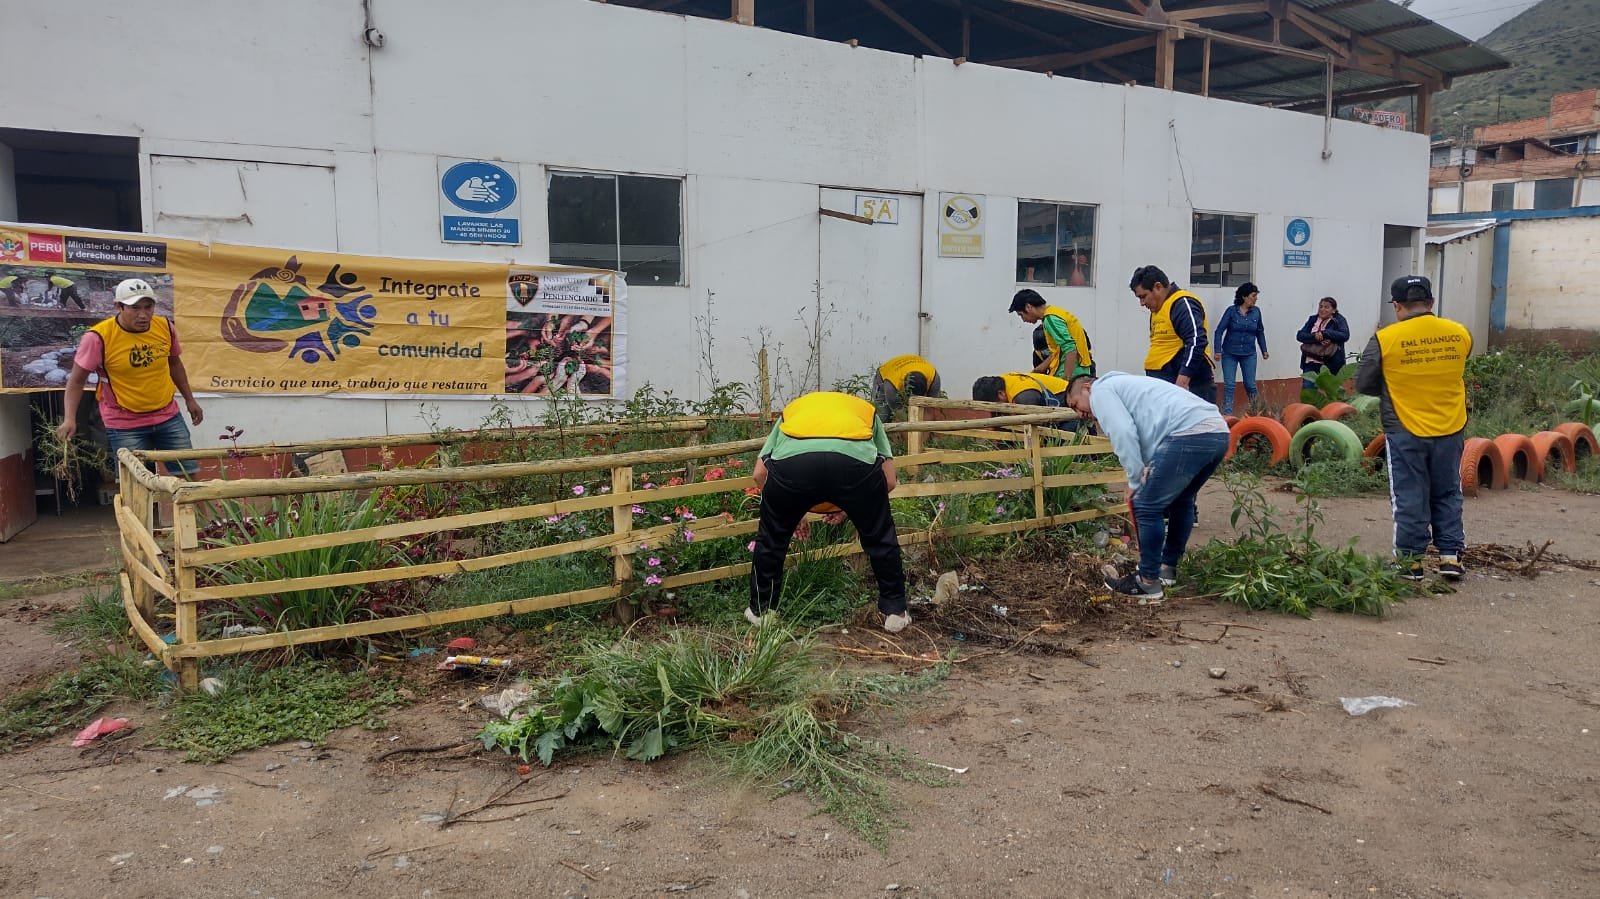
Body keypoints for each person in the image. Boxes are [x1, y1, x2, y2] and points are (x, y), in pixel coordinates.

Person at [749, 391, 909, 632]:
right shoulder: (867, 413)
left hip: (794, 467)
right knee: (880, 538)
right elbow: (889, 481)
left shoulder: (792, 412)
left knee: (772, 539)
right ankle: (895, 612)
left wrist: (793, 511)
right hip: (854, 467)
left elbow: (759, 474)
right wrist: (851, 506)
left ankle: (761, 612)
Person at [1067, 372, 1229, 600]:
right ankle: (1166, 570)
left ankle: (1147, 582)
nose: (1079, 413)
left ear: (1086, 388)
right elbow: (1150, 430)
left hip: (1189, 433)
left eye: (1075, 404)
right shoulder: (1129, 387)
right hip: (1217, 432)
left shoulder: (1101, 390)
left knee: (1144, 504)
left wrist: (1134, 481)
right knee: (1182, 500)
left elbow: (1123, 432)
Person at [1356, 276, 1470, 581]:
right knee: (1448, 491)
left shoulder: (1385, 338)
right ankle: (1451, 558)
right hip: (1451, 427)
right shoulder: (1459, 333)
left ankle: (1410, 563)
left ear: (1397, 306)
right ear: (1431, 303)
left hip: (1405, 429)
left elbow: (1364, 382)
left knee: (1409, 494)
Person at [57, 278, 203, 477]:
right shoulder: (98, 337)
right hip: (124, 422)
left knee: (188, 476)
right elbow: (76, 381)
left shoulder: (164, 327)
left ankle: (193, 510)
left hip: (167, 415)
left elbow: (175, 364)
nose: (143, 315)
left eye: (148, 307)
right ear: (119, 306)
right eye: (134, 308)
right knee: (136, 484)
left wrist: (190, 399)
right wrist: (69, 419)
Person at [1127, 266, 1215, 403]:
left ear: (1158, 287)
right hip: (1164, 387)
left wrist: (1183, 381)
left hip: (1188, 389)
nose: (1142, 303)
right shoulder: (1159, 310)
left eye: (1143, 296)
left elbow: (1197, 340)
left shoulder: (1182, 304)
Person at [1008, 289, 1095, 380]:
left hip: (1072, 373)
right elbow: (1059, 350)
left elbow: (1070, 348)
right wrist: (1038, 370)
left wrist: (1066, 379)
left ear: (1028, 307)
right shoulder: (1054, 313)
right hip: (1077, 371)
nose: (1023, 320)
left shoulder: (1050, 319)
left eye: (1021, 315)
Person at [1212, 282, 1270, 415]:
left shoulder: (1256, 312)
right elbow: (1219, 330)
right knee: (1230, 385)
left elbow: (1260, 332)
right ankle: (1227, 414)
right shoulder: (1231, 311)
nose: (1256, 298)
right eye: (1253, 295)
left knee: (1250, 384)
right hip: (1229, 353)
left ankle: (1258, 411)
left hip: (1249, 353)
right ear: (1244, 296)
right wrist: (1217, 350)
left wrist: (1264, 350)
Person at [1295, 296, 1350, 388]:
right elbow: (1300, 336)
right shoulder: (1313, 319)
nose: (1322, 309)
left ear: (1333, 310)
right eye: (1320, 306)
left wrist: (1325, 333)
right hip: (1311, 361)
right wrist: (1315, 336)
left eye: (1326, 307)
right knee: (1308, 390)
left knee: (1332, 392)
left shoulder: (1339, 320)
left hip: (1330, 362)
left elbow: (1344, 335)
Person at [873, 354, 941, 419]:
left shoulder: (934, 378)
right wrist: (910, 424)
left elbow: (932, 403)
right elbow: (897, 408)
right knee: (883, 415)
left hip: (913, 366)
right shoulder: (892, 384)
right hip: (885, 373)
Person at [971, 372, 1069, 407]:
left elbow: (1036, 420)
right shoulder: (1003, 381)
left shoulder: (1024, 397)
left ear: (1001, 394)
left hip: (1066, 397)